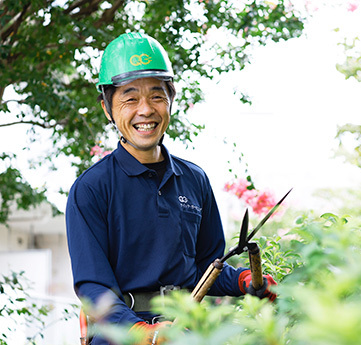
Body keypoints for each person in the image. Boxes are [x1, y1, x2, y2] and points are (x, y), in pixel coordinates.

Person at [66, 32, 277, 345]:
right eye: (130, 98)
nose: (146, 109)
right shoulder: (91, 189)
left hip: (185, 333)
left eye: (156, 95)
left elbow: (208, 268)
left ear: (170, 101)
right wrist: (140, 333)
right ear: (108, 108)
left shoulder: (194, 180)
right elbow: (94, 287)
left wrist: (246, 279)